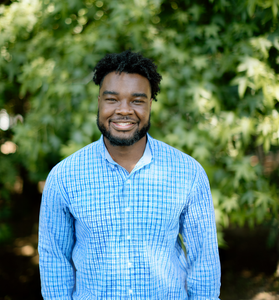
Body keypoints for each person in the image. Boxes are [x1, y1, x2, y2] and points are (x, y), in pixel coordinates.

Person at [38, 50, 221, 299]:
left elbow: (204, 261)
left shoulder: (188, 173)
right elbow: (54, 261)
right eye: (112, 99)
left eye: (137, 100)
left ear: (150, 104)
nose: (124, 110)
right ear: (99, 102)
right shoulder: (64, 177)